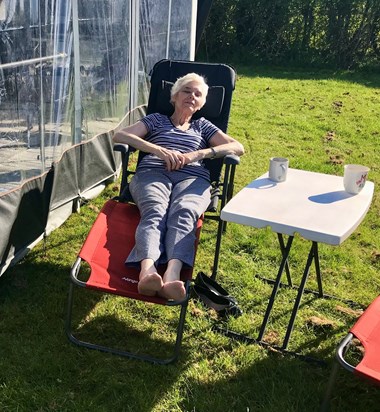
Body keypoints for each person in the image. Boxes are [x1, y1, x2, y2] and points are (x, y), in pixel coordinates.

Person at [112, 73, 244, 301]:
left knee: (184, 212)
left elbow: (238, 147)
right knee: (154, 210)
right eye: (187, 91)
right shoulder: (155, 120)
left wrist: (200, 154)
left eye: (198, 94)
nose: (192, 96)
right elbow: (120, 135)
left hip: (193, 179)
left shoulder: (203, 126)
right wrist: (158, 150)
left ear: (201, 104)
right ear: (174, 96)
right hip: (152, 173)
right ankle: (148, 272)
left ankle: (172, 275)